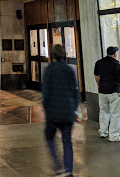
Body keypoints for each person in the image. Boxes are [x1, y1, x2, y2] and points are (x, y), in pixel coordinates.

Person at [42, 44, 79, 177]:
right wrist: (73, 109)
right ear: (64, 55)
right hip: (68, 112)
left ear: (52, 55)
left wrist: (46, 108)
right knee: (67, 142)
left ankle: (58, 165)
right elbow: (75, 92)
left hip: (53, 113)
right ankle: (69, 170)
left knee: (49, 138)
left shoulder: (49, 70)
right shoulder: (70, 70)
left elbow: (45, 92)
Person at [94, 46, 120, 142]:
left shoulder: (99, 62)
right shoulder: (116, 64)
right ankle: (114, 136)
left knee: (103, 111)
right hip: (114, 92)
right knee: (115, 114)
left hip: (102, 91)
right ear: (115, 54)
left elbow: (96, 76)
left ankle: (103, 132)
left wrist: (99, 85)